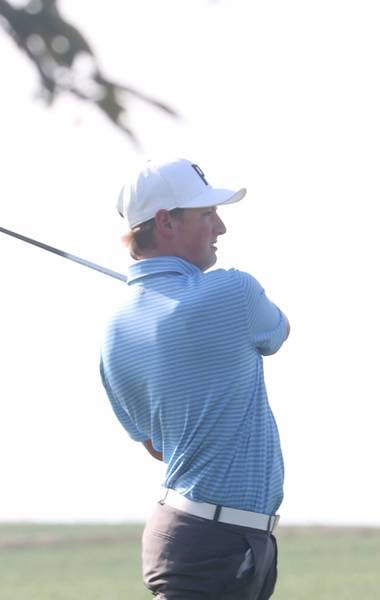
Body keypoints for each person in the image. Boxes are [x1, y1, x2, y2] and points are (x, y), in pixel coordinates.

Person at [99, 158, 290, 599]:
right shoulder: (232, 291)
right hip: (213, 542)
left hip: (217, 539)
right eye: (207, 214)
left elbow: (157, 446)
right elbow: (278, 331)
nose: (220, 227)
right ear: (165, 222)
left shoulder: (117, 330)